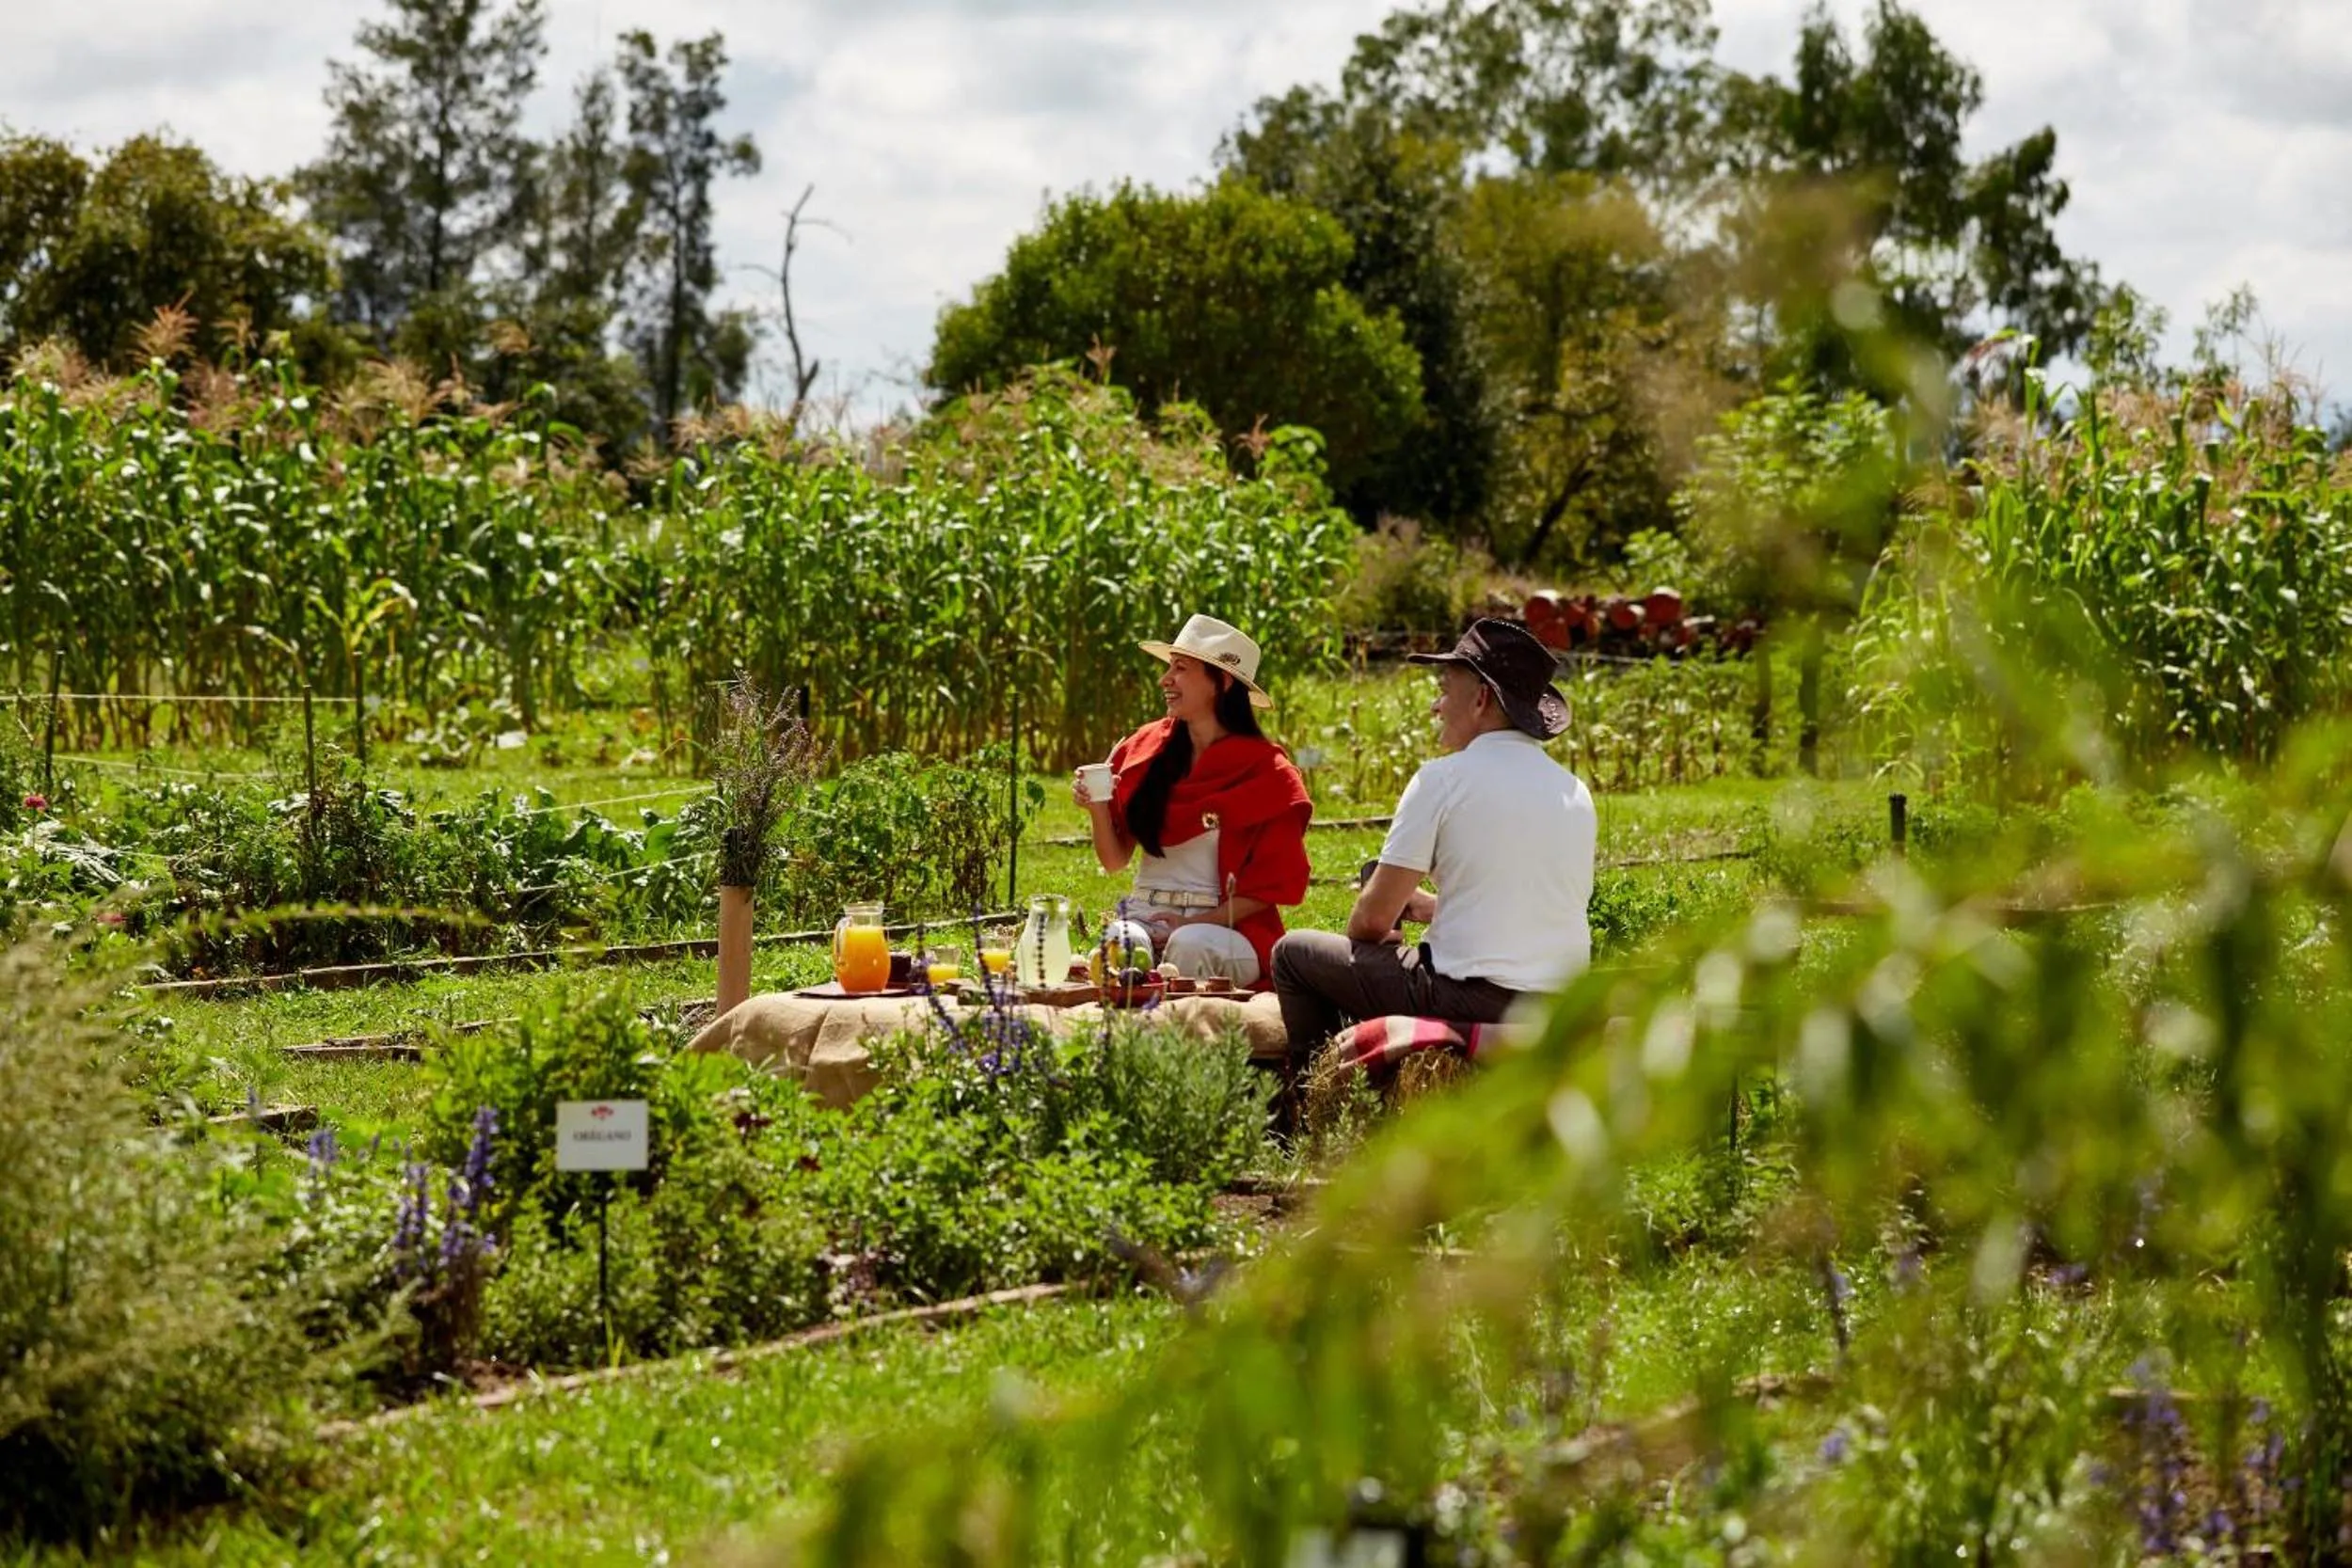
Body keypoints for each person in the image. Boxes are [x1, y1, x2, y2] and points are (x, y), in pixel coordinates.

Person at [1271, 617, 1596, 1062]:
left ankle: (1317, 1097)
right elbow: (1525, 903)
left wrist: (1375, 933)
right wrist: (1429, 907)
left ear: (1481, 699)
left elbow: (1369, 923)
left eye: (1445, 690)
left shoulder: (1442, 780)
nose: (1436, 707)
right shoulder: (1576, 792)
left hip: (1469, 998)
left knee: (1294, 954)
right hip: (1556, 1002)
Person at [1074, 613, 1312, 988]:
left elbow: (1269, 889)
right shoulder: (1145, 750)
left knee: (1189, 946)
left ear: (1221, 681)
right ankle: (1128, 1041)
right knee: (1121, 946)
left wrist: (1193, 922)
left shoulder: (1268, 773)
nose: (1165, 679)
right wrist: (1098, 809)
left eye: (1180, 668)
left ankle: (1182, 1040)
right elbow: (1115, 859)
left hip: (1224, 928)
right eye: (1169, 667)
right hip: (1144, 914)